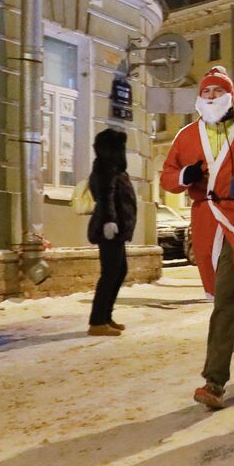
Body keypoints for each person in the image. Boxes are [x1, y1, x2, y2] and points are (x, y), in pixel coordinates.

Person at [161, 66, 234, 410]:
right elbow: (167, 176)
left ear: (230, 96)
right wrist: (184, 175)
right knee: (225, 296)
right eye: (206, 92)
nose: (210, 96)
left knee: (226, 298)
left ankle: (214, 381)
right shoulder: (186, 135)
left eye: (217, 91)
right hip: (206, 221)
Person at [87, 128, 135, 337]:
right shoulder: (105, 168)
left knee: (119, 271)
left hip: (117, 230)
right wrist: (109, 221)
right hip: (110, 230)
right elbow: (105, 196)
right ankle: (97, 321)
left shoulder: (113, 168)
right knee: (110, 273)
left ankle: (105, 316)